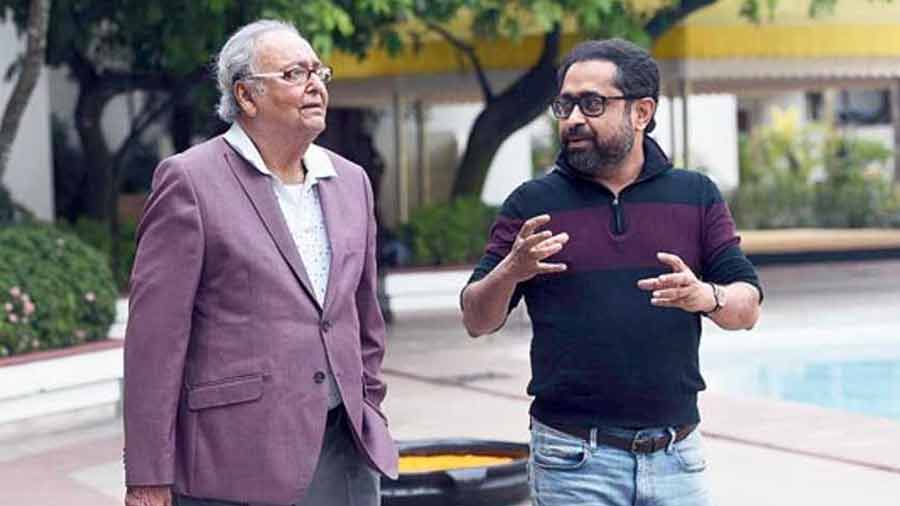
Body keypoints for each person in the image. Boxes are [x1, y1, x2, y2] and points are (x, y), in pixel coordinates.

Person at [460, 38, 762, 506]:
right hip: (572, 461)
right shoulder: (531, 204)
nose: (574, 118)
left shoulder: (696, 195)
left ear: (641, 113)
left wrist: (708, 297)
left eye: (593, 103)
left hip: (677, 457)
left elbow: (748, 306)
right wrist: (511, 270)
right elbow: (476, 318)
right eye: (566, 104)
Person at [123, 19, 397, 506]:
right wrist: (148, 475)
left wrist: (368, 403)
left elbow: (363, 313)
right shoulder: (190, 181)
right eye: (294, 74)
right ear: (246, 96)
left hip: (344, 449)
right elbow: (154, 341)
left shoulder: (351, 181)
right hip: (235, 458)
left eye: (319, 72)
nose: (315, 85)